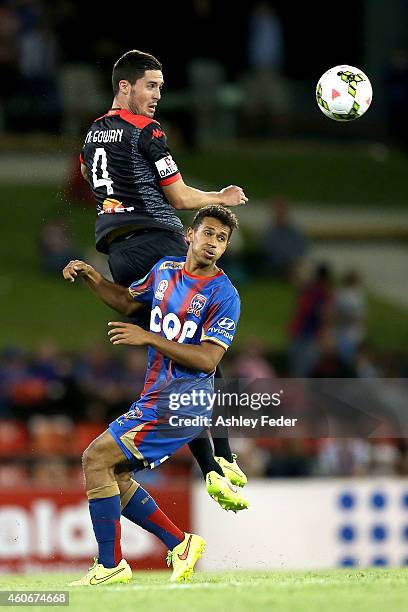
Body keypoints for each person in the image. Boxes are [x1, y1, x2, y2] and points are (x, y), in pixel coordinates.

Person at [79, 49, 248, 500]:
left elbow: (92, 180)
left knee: (172, 357)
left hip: (119, 252)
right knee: (204, 345)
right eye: (150, 86)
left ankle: (210, 467)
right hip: (158, 241)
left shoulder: (92, 134)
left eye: (160, 87)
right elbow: (177, 196)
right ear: (125, 86)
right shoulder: (146, 130)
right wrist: (222, 195)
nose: (157, 96)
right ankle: (225, 457)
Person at [63, 206, 248, 585]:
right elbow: (130, 302)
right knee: (114, 471)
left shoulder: (225, 295)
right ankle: (179, 544)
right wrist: (92, 276)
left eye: (221, 238)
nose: (213, 243)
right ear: (189, 236)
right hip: (157, 395)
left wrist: (148, 337)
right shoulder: (165, 270)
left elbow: (209, 359)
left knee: (95, 458)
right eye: (208, 233)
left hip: (184, 401)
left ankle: (110, 564)